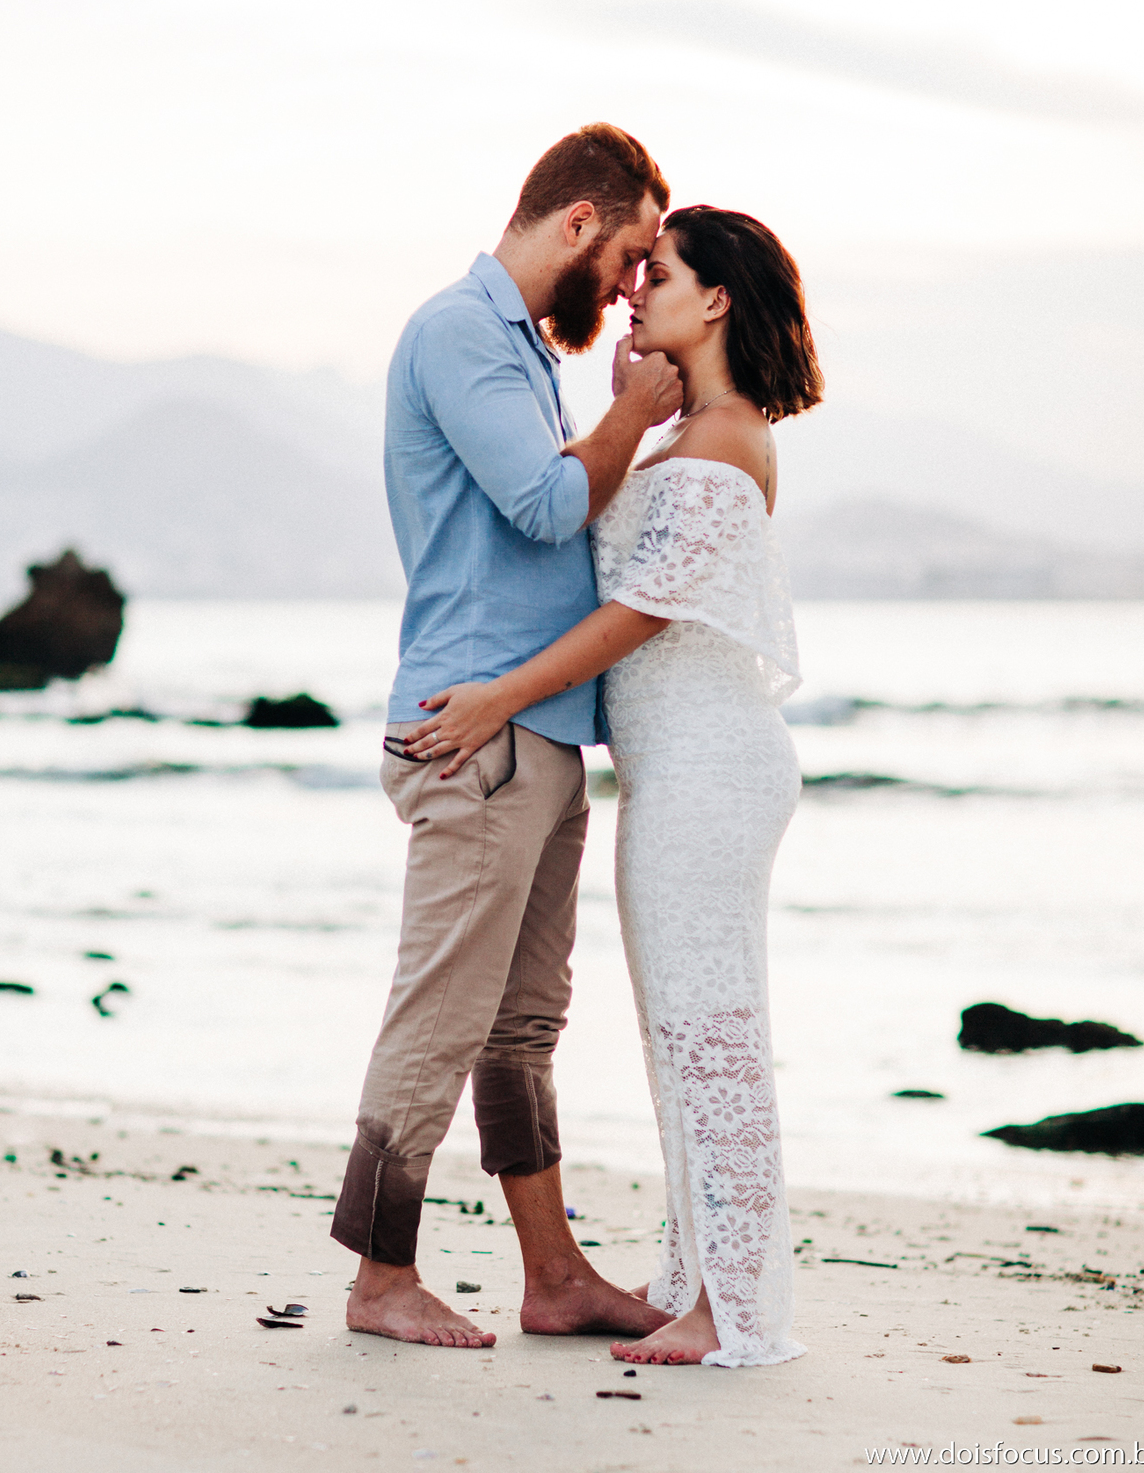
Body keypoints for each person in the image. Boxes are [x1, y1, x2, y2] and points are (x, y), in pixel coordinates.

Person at [404, 205, 824, 1367]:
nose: (636, 292)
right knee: (678, 1033)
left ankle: (733, 1313)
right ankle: (698, 1280)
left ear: (719, 301)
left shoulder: (728, 436)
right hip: (675, 771)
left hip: (708, 769)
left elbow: (633, 617)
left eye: (662, 275)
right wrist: (627, 412)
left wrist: (497, 695)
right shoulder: (684, 429)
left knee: (714, 1036)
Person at [331, 123, 685, 1349]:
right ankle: (381, 1279)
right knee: (440, 1015)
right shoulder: (458, 334)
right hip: (473, 739)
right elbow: (542, 505)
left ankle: (553, 1276)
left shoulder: (519, 349)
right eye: (633, 251)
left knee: (525, 1022)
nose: (634, 283)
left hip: (539, 736)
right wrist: (634, 414)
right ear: (579, 222)